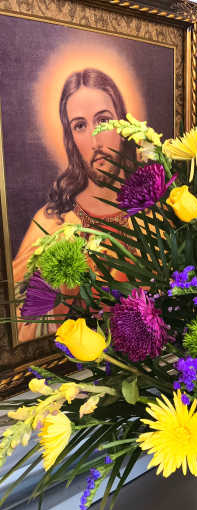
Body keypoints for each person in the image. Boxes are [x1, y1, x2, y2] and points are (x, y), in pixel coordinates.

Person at [13, 68, 135, 342]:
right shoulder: (52, 224)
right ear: (70, 139)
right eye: (80, 126)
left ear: (122, 125)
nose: (95, 141)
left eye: (103, 120)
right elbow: (20, 326)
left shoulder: (152, 213)